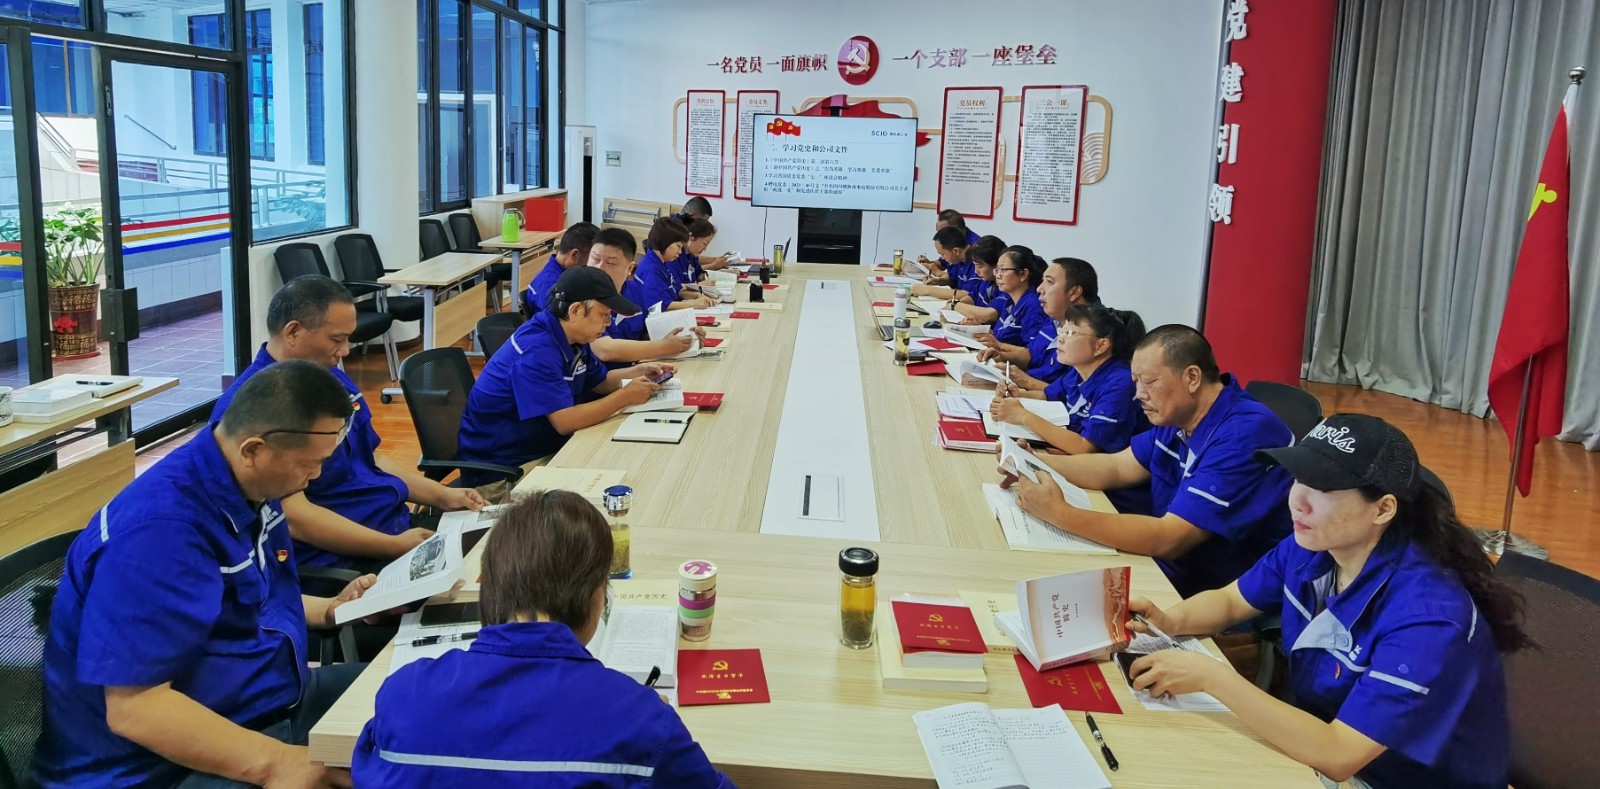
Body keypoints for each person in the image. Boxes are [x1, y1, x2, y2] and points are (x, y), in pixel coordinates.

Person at [34, 360, 387, 788]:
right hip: (158, 768)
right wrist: (278, 763)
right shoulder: (160, 535)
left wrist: (331, 609)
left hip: (265, 699)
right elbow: (135, 709)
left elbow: (246, 598)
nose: (315, 476)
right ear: (253, 450)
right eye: (309, 463)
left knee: (422, 699)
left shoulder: (250, 482)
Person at [1127, 414, 1522, 788]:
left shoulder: (1430, 618)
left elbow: (1339, 753)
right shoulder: (1314, 544)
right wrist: (1168, 621)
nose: (1298, 500)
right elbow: (1231, 601)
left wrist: (1212, 677)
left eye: (1324, 488)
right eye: (1299, 479)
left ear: (1383, 509)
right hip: (1314, 746)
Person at [352, 491, 734, 787]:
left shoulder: (403, 693)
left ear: (490, 586)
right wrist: (644, 715)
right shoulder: (643, 722)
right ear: (596, 596)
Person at [211, 276, 485, 572]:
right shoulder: (250, 410)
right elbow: (294, 517)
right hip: (353, 558)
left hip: (397, 526)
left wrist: (443, 496)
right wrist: (393, 545)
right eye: (336, 339)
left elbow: (372, 458)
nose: (345, 351)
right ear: (293, 332)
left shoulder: (330, 377)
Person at [1002, 325, 1294, 597]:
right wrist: (1032, 461)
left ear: (1192, 377)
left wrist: (1060, 513)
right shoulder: (1180, 412)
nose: (1139, 394)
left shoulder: (1245, 433)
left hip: (1211, 588)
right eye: (1136, 382)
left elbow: (1171, 538)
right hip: (1167, 562)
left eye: (1150, 382)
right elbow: (1116, 467)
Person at [456, 266, 672, 486]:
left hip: (542, 450)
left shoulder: (573, 336)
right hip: (504, 473)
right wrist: (624, 396)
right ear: (576, 310)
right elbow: (565, 421)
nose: (608, 323)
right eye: (604, 315)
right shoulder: (537, 351)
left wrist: (638, 371)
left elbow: (600, 382)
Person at [991, 303, 1152, 515]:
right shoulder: (1079, 369)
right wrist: (1018, 395)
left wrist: (1023, 416)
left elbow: (1086, 447)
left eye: (1070, 333)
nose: (1060, 338)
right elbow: (1048, 396)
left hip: (1111, 494)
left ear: (1101, 345)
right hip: (1073, 466)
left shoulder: (1119, 383)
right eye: (1062, 330)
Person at [585, 227, 705, 363]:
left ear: (629, 268)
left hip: (635, 367)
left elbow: (646, 334)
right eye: (595, 259)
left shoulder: (636, 291)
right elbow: (605, 350)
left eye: (610, 263)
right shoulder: (582, 296)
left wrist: (686, 339)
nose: (599, 268)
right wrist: (663, 346)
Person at [981, 256, 1100, 385]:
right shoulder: (1055, 318)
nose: (1039, 289)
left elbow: (1068, 392)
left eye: (1049, 282)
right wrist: (1002, 356)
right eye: (1043, 281)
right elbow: (1032, 354)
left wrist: (1027, 382)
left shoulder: (1088, 335)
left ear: (1074, 292)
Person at [954, 245, 1050, 347]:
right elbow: (1002, 337)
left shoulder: (1033, 306)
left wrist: (1000, 347)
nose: (998, 275)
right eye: (997, 269)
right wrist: (980, 329)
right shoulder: (1010, 300)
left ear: (1023, 275)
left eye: (1003, 270)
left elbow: (1031, 352)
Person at [633, 217, 715, 312]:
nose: (680, 251)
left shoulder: (662, 263)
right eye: (678, 246)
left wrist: (696, 295)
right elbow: (659, 306)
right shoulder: (652, 269)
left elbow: (677, 290)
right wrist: (693, 304)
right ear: (665, 241)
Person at [523, 221, 600, 315]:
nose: (595, 266)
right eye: (594, 259)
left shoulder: (561, 275)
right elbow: (562, 321)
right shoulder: (552, 287)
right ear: (575, 255)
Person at [910, 228, 980, 299]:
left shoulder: (978, 263)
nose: (942, 258)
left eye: (942, 254)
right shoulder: (957, 259)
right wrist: (939, 281)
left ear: (956, 251)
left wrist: (927, 290)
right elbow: (953, 281)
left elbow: (968, 295)